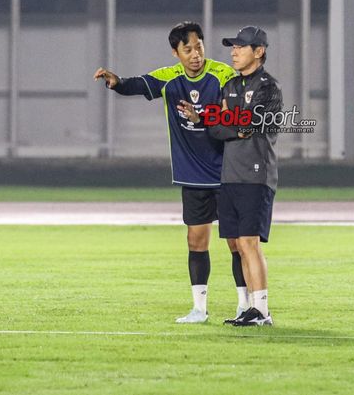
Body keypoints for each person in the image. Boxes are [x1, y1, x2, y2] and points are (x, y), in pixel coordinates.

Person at [93, 21, 250, 324]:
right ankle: (199, 310)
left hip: (227, 173)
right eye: (188, 49)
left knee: (236, 243)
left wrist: (202, 115)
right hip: (193, 176)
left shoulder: (223, 76)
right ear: (176, 52)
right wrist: (117, 81)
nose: (195, 54)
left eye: (199, 46)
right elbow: (138, 84)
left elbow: (236, 116)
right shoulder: (170, 79)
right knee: (196, 242)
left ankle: (245, 306)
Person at [178, 26, 282, 326]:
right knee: (238, 242)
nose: (234, 52)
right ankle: (253, 309)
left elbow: (253, 124)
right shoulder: (232, 86)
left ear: (259, 51)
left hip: (255, 174)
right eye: (232, 47)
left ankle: (261, 310)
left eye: (240, 46)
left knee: (249, 242)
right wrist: (228, 123)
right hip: (230, 175)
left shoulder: (268, 87)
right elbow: (219, 126)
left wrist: (230, 123)